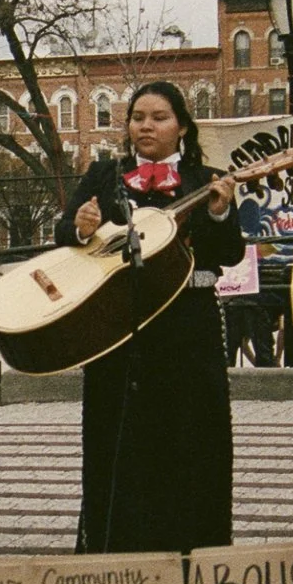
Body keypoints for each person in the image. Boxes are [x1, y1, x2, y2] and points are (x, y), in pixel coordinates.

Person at [57, 81, 246, 553]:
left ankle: (192, 551)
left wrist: (220, 215)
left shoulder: (208, 178)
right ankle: (115, 555)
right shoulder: (105, 175)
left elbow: (230, 253)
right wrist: (79, 227)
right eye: (138, 116)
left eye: (159, 117)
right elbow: (65, 231)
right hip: (117, 330)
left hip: (187, 333)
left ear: (182, 126)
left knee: (188, 442)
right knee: (119, 442)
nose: (146, 125)